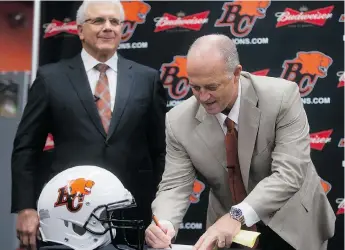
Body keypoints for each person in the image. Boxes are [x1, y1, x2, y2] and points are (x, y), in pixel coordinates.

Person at [145, 34, 336, 250]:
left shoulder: (281, 97)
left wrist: (237, 215)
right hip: (226, 232)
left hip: (291, 221)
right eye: (195, 88)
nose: (203, 97)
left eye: (212, 87)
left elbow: (289, 174)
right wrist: (165, 223)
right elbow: (174, 185)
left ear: (236, 74)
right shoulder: (178, 120)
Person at [11, 1, 166, 249]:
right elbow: (26, 149)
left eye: (115, 22)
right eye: (99, 21)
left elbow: (161, 151)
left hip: (131, 217)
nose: (108, 28)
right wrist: (26, 207)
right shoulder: (51, 78)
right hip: (69, 215)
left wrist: (163, 210)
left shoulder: (147, 79)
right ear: (80, 30)